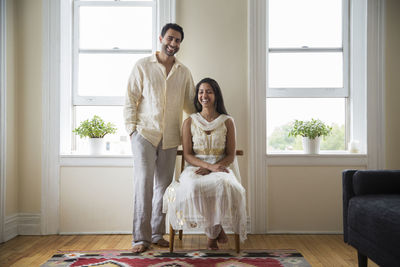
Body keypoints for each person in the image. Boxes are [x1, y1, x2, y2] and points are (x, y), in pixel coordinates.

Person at [124, 23, 196, 253]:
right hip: (144, 134)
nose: (173, 44)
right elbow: (130, 98)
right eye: (170, 39)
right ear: (161, 38)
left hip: (171, 137)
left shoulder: (184, 72)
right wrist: (131, 130)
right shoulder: (142, 66)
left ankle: (157, 233)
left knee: (164, 188)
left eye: (177, 41)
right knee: (143, 185)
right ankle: (140, 238)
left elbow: (190, 105)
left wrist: (206, 125)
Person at [163, 78, 247, 250]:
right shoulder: (190, 122)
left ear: (216, 95)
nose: (204, 95)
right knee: (193, 186)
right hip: (195, 167)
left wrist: (215, 167)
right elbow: (187, 154)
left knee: (223, 184)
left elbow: (230, 154)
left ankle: (211, 234)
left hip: (221, 166)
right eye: (201, 92)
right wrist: (208, 167)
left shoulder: (227, 121)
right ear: (197, 96)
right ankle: (216, 229)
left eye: (209, 91)